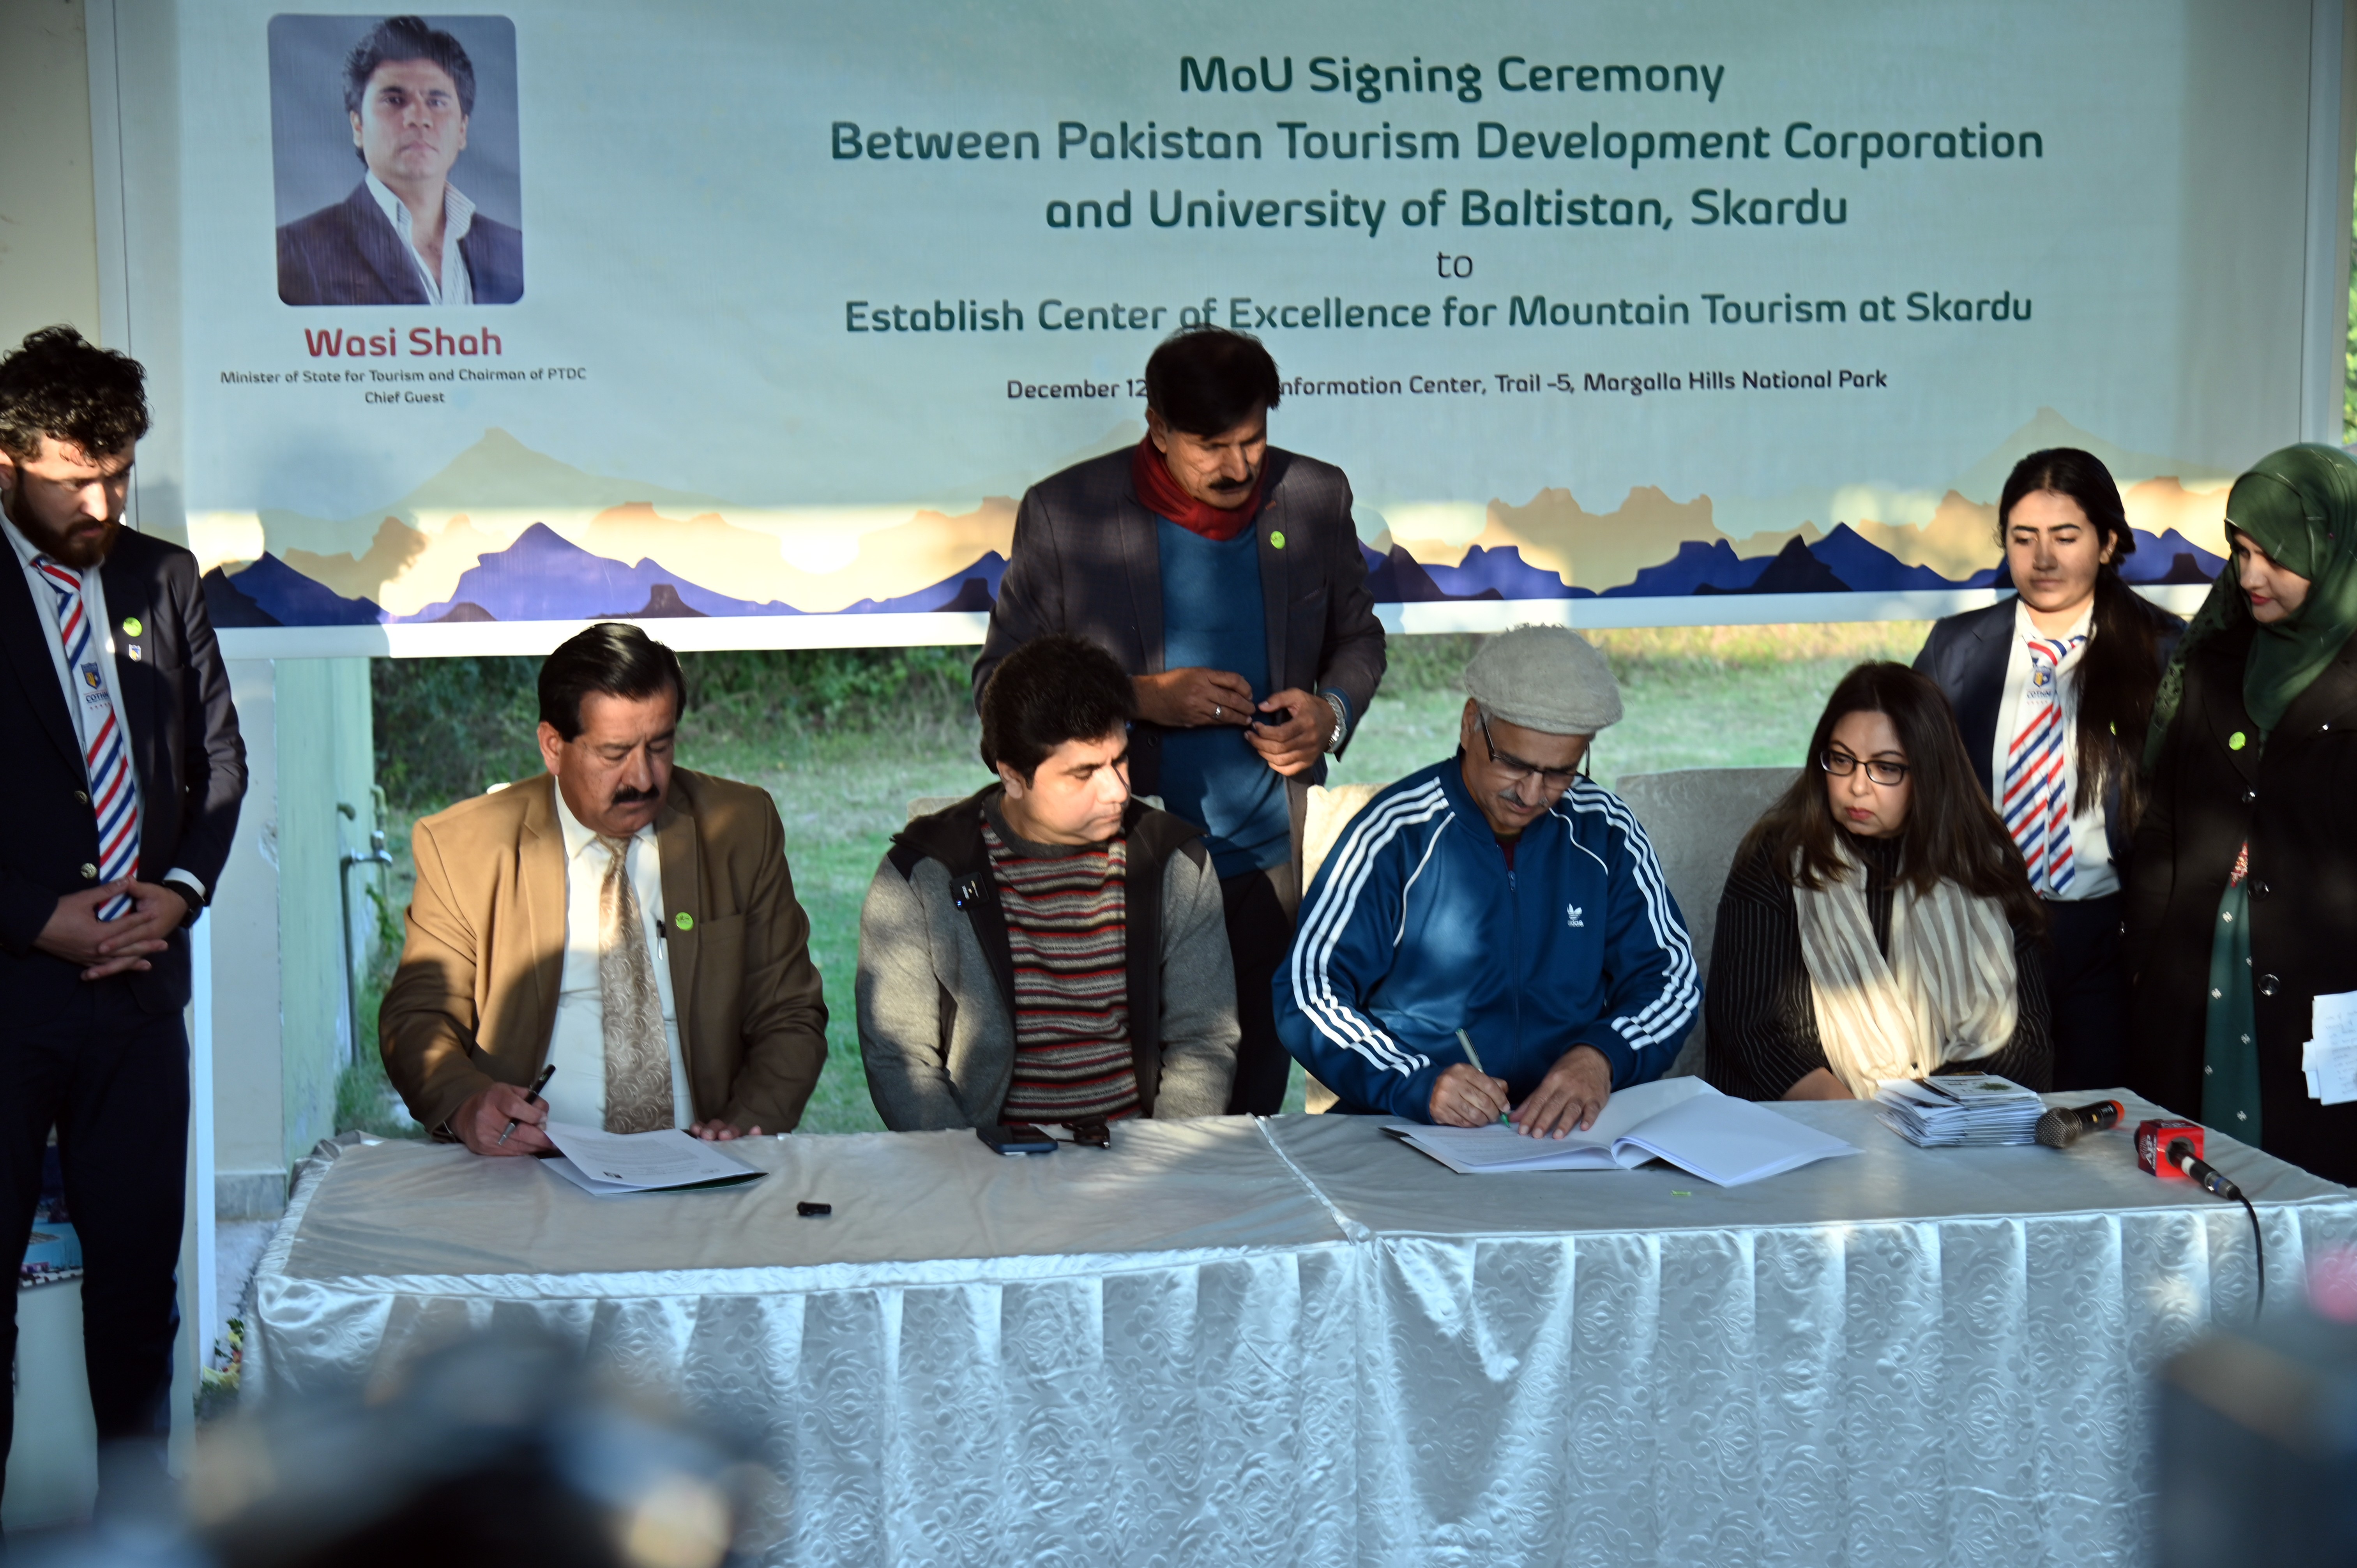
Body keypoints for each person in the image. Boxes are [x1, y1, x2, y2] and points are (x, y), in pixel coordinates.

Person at [975, 325, 1384, 1115]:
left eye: (1253, 440)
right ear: (1157, 428)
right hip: (1122, 866)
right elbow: (1000, 691)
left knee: (1256, 1092)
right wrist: (1140, 697)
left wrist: (1328, 712)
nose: (1238, 467)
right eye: (1211, 446)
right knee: (1140, 1104)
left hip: (1272, 856)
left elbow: (1358, 638)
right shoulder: (1067, 514)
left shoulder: (1314, 496)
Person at [0, 327, 247, 1512]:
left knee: (140, 1291)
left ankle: (137, 1530)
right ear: (7, 461)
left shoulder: (163, 577)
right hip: (11, 999)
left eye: (121, 472)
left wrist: (180, 893)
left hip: (143, 1000)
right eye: (74, 478)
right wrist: (33, 919)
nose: (102, 502)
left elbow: (218, 766)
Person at [380, 622, 827, 1151]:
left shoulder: (739, 828)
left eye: (660, 746)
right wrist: (467, 1103)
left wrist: (745, 1124)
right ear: (553, 746)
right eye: (614, 754)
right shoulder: (465, 847)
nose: (642, 778)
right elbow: (420, 1017)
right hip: (530, 1164)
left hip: (703, 1159)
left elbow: (790, 1014)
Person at [1275, 626, 1696, 1131]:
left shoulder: (1605, 831)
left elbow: (1671, 979)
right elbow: (1309, 991)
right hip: (1413, 1126)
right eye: (1515, 764)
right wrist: (1417, 1082)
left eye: (1561, 772)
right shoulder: (1395, 834)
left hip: (1569, 1136)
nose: (1534, 793)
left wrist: (1600, 1057)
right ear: (1470, 723)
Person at [859, 634, 1238, 1128]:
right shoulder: (922, 874)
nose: (1118, 790)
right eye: (1084, 774)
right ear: (1013, 776)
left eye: (1120, 760)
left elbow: (1204, 1040)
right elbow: (901, 1057)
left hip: (1139, 1158)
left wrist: (1160, 1164)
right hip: (981, 1165)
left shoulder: (1175, 862)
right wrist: (963, 1173)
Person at [1914, 448, 2182, 1090]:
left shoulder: (2163, 650)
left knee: (2097, 1129)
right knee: (1988, 1127)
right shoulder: (1955, 648)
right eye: (2022, 537)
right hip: (1983, 929)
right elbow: (1919, 784)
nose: (2042, 558)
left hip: (2105, 936)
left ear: (2107, 540)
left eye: (2065, 537)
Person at [2124, 443, 2357, 1183]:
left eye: (2275, 555)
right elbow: (2162, 826)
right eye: (2240, 549)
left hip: (2323, 994)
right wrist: (2149, 960)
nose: (2249, 575)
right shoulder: (2216, 663)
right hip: (2196, 973)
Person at [1705, 662, 2053, 1100]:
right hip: (1810, 1133)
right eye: (1841, 760)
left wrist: (1921, 1117)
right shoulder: (1776, 859)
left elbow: (2025, 1043)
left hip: (1951, 1133)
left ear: (1930, 772)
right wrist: (1864, 1127)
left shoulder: (1983, 866)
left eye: (1886, 768)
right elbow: (1752, 1031)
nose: (1856, 787)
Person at [276, 15, 524, 306]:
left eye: (437, 102)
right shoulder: (296, 252)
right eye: (394, 100)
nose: (419, 118)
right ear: (358, 126)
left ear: (462, 130)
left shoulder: (516, 249)